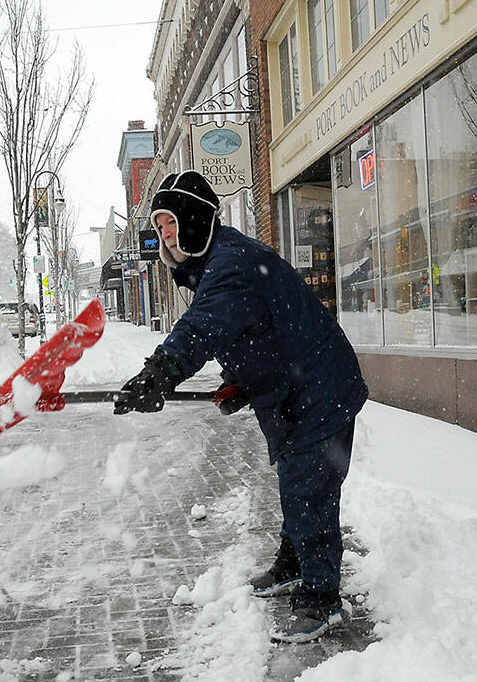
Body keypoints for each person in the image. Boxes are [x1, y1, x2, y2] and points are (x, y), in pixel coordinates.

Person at [113, 171, 368, 642]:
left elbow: (205, 326)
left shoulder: (230, 264)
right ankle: (295, 565)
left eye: (170, 224)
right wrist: (241, 383)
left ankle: (321, 598)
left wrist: (161, 373)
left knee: (309, 491)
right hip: (300, 391)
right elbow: (256, 332)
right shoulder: (221, 261)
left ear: (194, 220)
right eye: (161, 228)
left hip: (318, 391)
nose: (165, 236)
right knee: (298, 483)